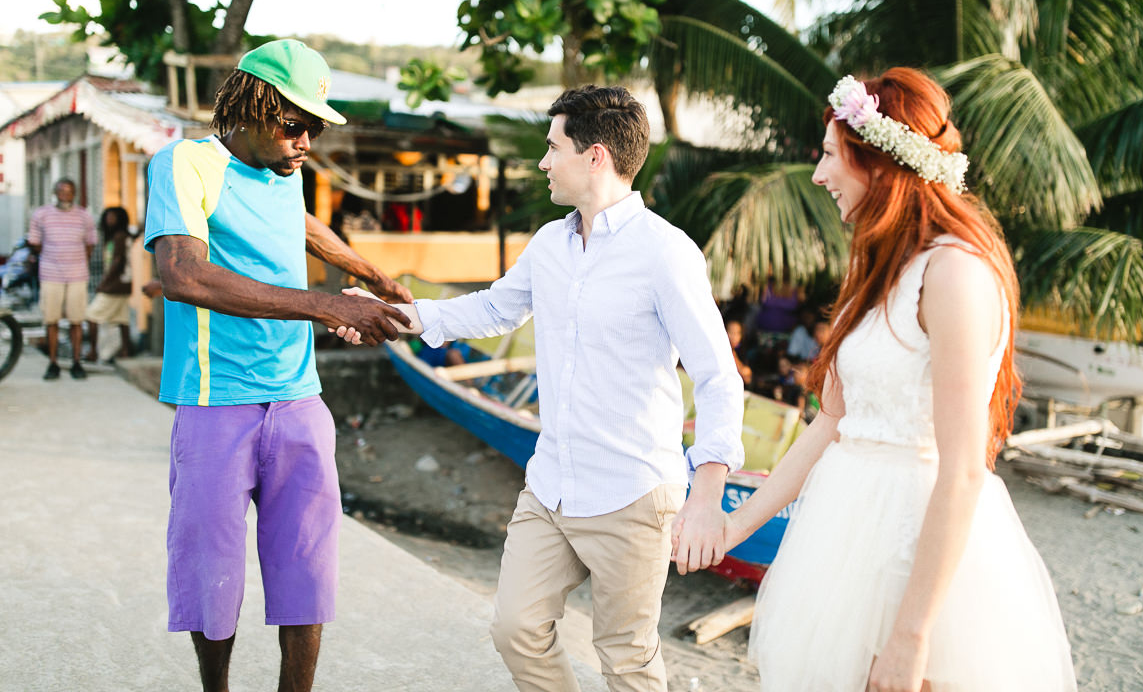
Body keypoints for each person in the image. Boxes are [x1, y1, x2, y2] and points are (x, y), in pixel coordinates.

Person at [339, 84, 745, 692]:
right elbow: (494, 310)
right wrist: (391, 316)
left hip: (633, 491)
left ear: (596, 156)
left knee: (627, 658)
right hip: (551, 484)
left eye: (553, 147)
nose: (543, 162)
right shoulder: (550, 243)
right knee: (515, 628)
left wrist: (708, 489)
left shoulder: (665, 253)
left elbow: (717, 374)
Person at [696, 69, 1076, 691]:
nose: (818, 176)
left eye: (828, 156)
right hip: (843, 538)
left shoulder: (953, 275)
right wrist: (734, 529)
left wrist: (911, 635)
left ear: (878, 163)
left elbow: (964, 469)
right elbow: (833, 424)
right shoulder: (873, 276)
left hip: (921, 553)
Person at [143, 38, 414, 692]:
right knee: (213, 573)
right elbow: (181, 274)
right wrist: (328, 306)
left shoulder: (283, 173)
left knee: (306, 570)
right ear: (254, 107)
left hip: (298, 401)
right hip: (216, 403)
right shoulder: (186, 164)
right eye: (295, 125)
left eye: (315, 128)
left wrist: (371, 274)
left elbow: (302, 224)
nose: (306, 141)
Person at [27, 177, 96, 380]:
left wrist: (75, 260)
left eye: (69, 191)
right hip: (50, 274)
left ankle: (76, 362)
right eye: (61, 191)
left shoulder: (84, 216)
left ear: (74, 194)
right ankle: (53, 363)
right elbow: (35, 243)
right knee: (51, 320)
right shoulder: (41, 215)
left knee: (76, 320)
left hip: (77, 274)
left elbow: (90, 244)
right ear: (54, 193)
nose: (65, 195)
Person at [83, 206, 134, 361]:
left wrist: (104, 283)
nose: (109, 220)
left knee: (91, 315)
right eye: (108, 217)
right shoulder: (118, 236)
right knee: (122, 318)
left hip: (115, 285)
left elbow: (118, 262)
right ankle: (126, 350)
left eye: (113, 217)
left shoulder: (120, 236)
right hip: (123, 285)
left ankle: (93, 352)